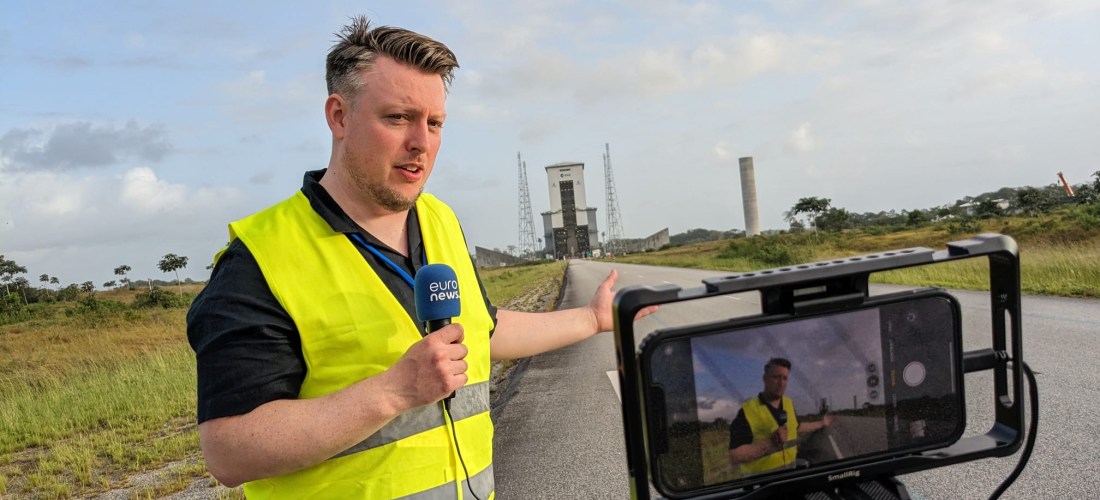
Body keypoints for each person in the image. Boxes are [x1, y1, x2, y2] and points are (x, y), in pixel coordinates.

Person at [186, 15, 655, 499]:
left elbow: (483, 332)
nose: (422, 143)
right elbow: (229, 452)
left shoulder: (438, 220)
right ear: (339, 116)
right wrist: (393, 391)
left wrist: (592, 318)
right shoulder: (261, 258)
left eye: (434, 123)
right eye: (398, 118)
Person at [727, 358, 833, 475]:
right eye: (776, 377)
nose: (781, 383)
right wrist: (769, 443)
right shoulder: (748, 411)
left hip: (790, 473)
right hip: (762, 480)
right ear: (765, 378)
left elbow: (797, 427)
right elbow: (734, 456)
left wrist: (821, 423)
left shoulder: (788, 403)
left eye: (784, 378)